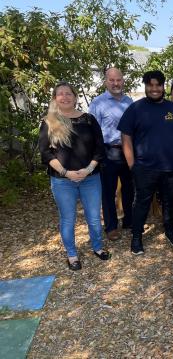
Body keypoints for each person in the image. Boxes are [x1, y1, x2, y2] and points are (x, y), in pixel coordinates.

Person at [39, 82, 110, 270]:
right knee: (68, 218)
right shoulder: (49, 122)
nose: (65, 97)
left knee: (94, 217)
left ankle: (97, 247)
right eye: (60, 94)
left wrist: (88, 169)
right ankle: (71, 254)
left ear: (75, 96)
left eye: (68, 93)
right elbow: (46, 153)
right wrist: (66, 172)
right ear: (55, 98)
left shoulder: (89, 119)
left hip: (91, 178)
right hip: (62, 181)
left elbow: (99, 148)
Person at [118, 70, 173, 254]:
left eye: (158, 85)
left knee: (170, 201)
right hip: (144, 168)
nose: (154, 89)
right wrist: (132, 164)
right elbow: (125, 137)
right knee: (141, 202)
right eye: (150, 85)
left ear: (163, 86)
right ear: (145, 86)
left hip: (172, 167)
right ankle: (136, 237)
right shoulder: (135, 109)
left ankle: (170, 230)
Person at [89, 67, 134, 241]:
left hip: (128, 151)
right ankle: (111, 227)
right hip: (108, 152)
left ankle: (129, 222)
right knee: (108, 192)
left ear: (123, 80)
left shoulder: (129, 102)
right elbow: (92, 131)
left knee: (130, 189)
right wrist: (95, 155)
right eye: (112, 80)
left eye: (119, 80)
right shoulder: (97, 103)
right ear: (106, 81)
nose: (116, 83)